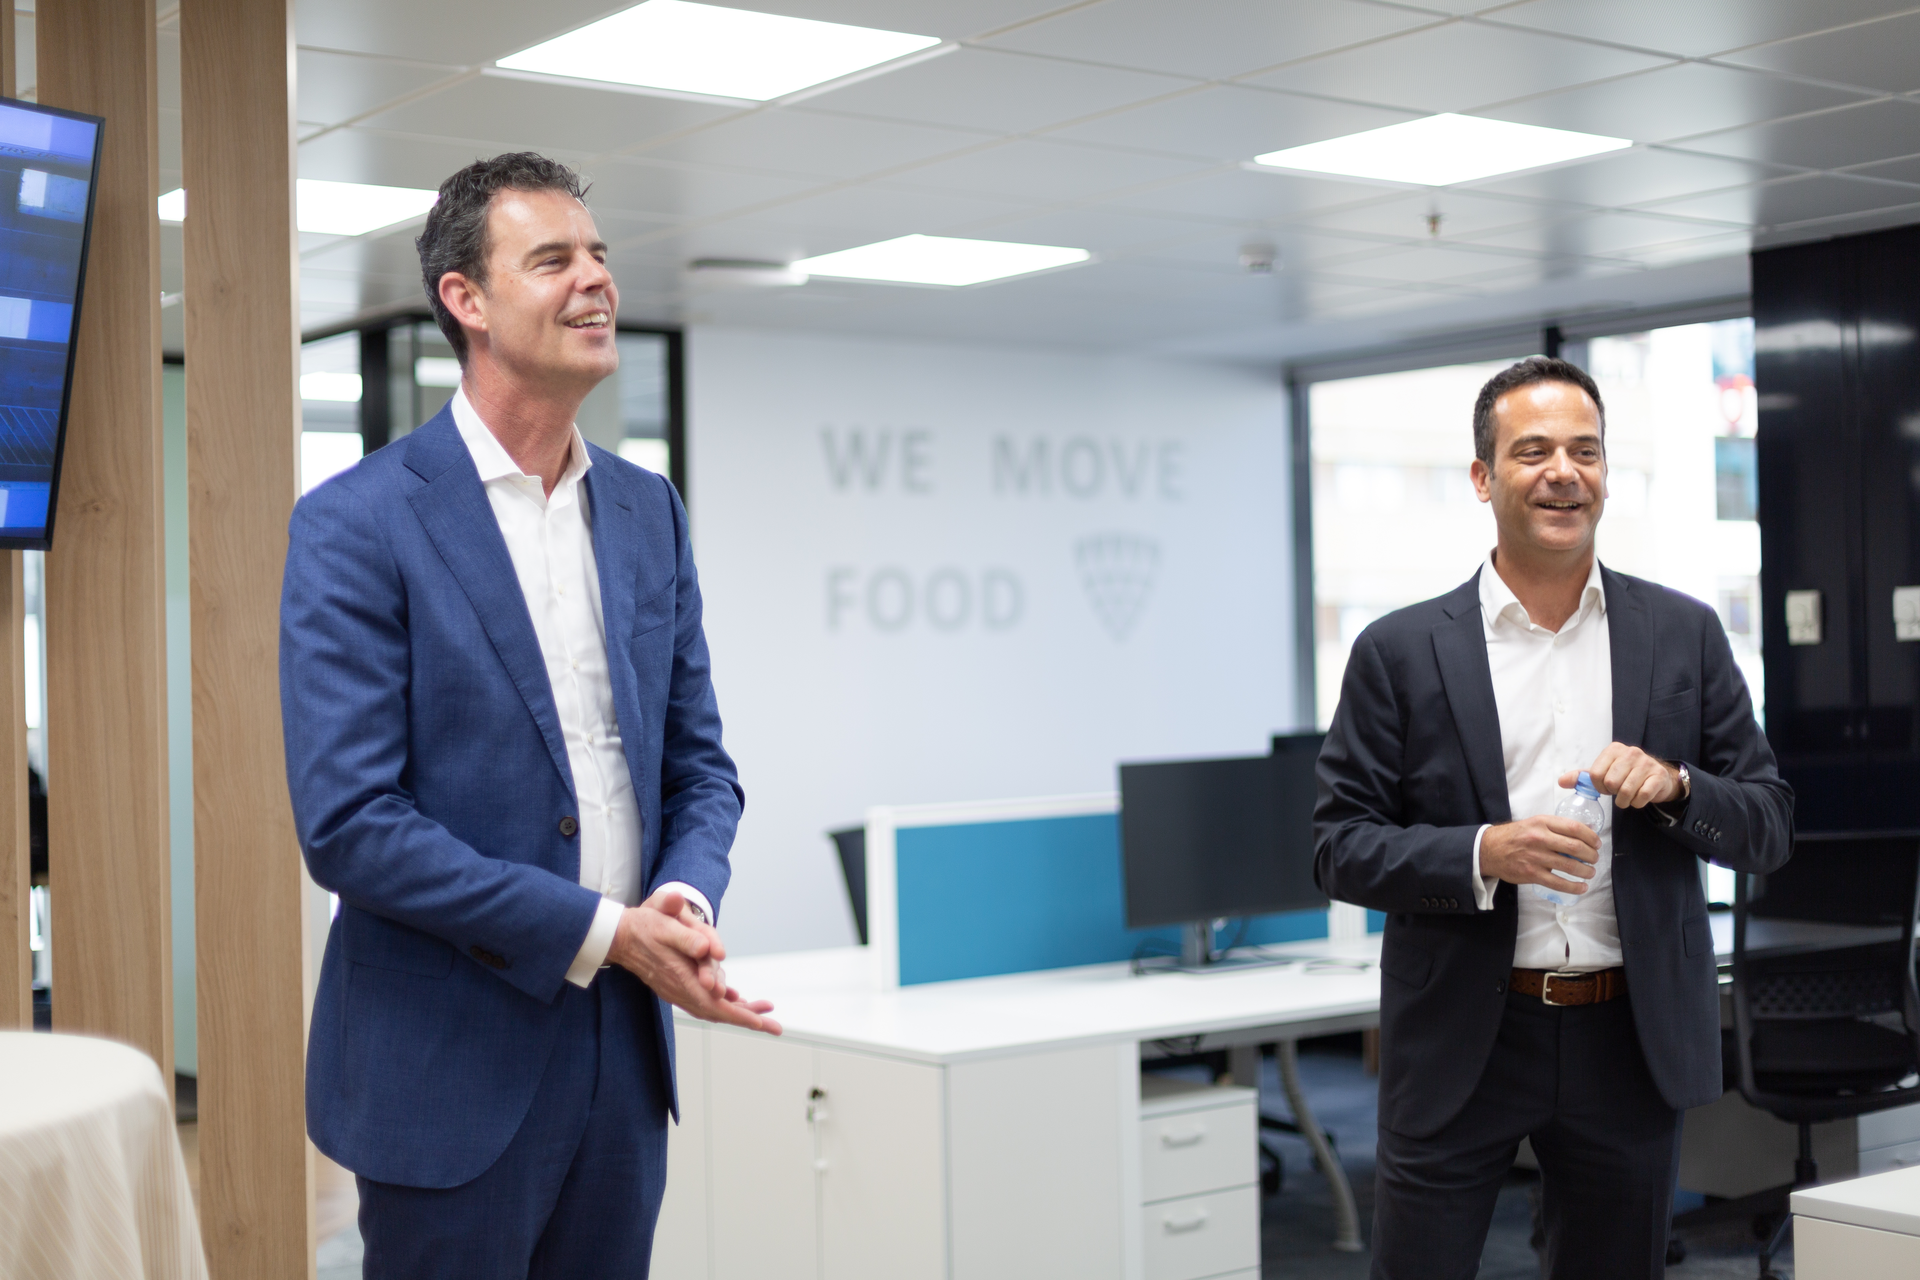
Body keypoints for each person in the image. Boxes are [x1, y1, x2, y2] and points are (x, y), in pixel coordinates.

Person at [280, 152, 779, 1279]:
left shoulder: (648, 510)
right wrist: (606, 933)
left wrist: (682, 896)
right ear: (466, 299)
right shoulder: (357, 524)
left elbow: (700, 766)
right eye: (552, 259)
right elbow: (352, 823)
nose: (595, 281)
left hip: (622, 1056)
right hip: (445, 1068)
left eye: (599, 255)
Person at [1314, 356, 1793, 1278]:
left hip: (1629, 1032)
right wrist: (1486, 851)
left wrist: (1679, 786)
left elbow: (1768, 821)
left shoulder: (1683, 633)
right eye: (1532, 452)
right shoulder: (1400, 652)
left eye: (1586, 450)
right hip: (1463, 1033)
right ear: (1483, 479)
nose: (1562, 472)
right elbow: (1339, 847)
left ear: (1606, 473)